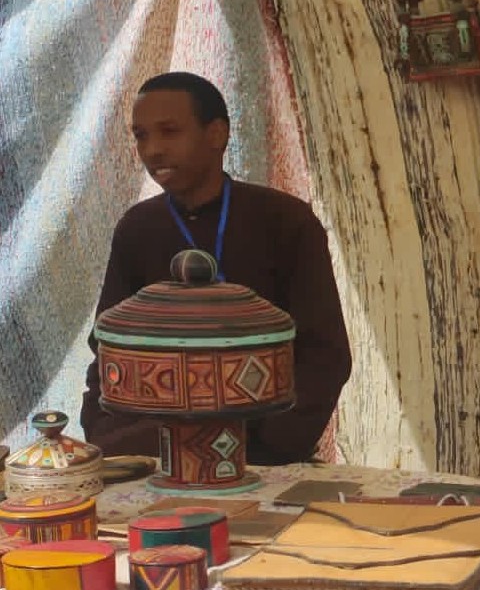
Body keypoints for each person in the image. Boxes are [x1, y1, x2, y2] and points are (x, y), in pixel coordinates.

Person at [80, 72, 351, 465]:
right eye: (141, 136)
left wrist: (264, 445)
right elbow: (107, 345)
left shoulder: (284, 221)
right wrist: (111, 436)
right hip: (153, 455)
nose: (152, 150)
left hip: (262, 454)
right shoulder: (138, 229)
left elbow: (324, 354)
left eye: (169, 131)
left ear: (217, 134)